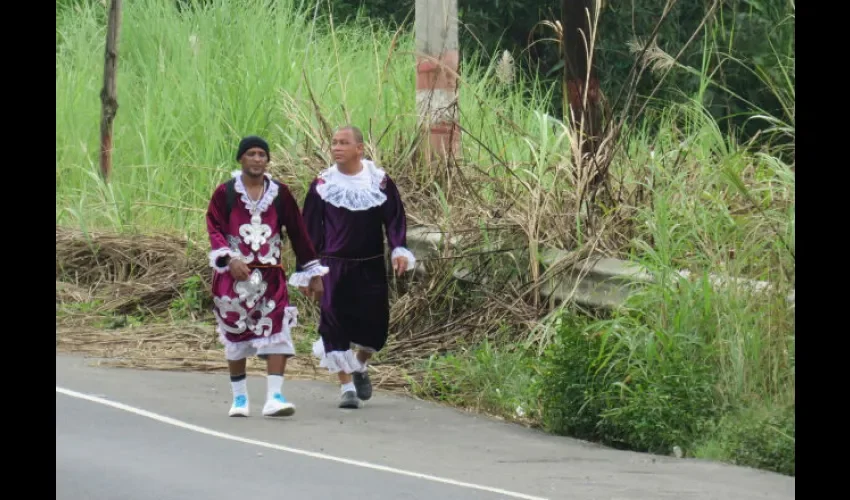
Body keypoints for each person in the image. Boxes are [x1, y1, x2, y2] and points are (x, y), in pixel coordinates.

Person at [206, 135, 327, 418]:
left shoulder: (280, 194)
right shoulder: (225, 193)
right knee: (235, 335)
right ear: (241, 159)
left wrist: (313, 272)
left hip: (271, 278)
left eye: (262, 154)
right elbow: (214, 228)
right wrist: (230, 258)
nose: (257, 159)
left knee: (277, 332)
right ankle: (239, 399)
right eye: (252, 154)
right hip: (233, 278)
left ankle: (274, 396)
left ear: (267, 160)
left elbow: (299, 233)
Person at [302, 125, 416, 409]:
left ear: (359, 149)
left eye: (344, 143)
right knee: (333, 325)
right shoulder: (322, 184)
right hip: (333, 267)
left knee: (375, 327)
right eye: (334, 143)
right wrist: (310, 270)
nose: (337, 147)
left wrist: (398, 249)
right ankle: (347, 388)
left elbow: (394, 218)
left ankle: (359, 364)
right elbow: (309, 229)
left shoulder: (378, 181)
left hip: (370, 266)